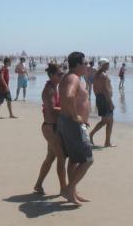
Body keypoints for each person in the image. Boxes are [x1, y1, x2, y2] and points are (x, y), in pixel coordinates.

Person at [57, 52, 93, 205]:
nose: (88, 65)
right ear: (78, 64)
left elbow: (72, 97)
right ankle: (69, 189)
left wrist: (83, 118)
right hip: (72, 124)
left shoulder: (70, 77)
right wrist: (75, 116)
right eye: (85, 63)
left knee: (74, 160)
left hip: (69, 123)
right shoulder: (73, 78)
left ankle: (73, 191)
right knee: (87, 160)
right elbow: (69, 95)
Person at [34, 63, 66, 195]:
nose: (61, 76)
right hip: (50, 127)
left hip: (52, 127)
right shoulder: (50, 89)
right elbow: (52, 109)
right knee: (62, 157)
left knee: (50, 158)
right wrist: (68, 110)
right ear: (52, 75)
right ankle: (64, 189)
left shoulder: (54, 87)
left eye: (62, 74)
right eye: (59, 74)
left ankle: (38, 185)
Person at [89, 58, 115, 147]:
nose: (108, 65)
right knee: (109, 121)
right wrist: (110, 103)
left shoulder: (96, 75)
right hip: (105, 99)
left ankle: (106, 141)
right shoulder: (103, 75)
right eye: (107, 64)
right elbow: (105, 90)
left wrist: (97, 97)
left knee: (106, 121)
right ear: (103, 65)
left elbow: (94, 88)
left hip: (100, 98)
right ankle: (105, 141)